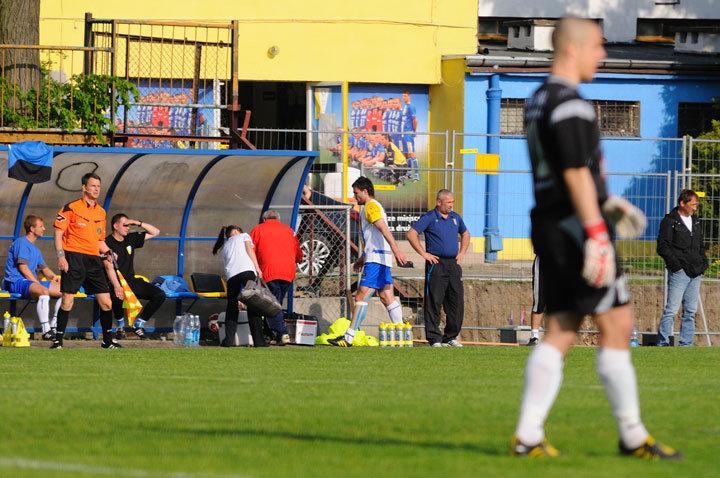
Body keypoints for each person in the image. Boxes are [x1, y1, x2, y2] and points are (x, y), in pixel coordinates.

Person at [511, 17, 681, 459]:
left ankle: (529, 433)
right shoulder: (571, 103)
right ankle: (632, 434)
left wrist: (608, 203)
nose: (603, 55)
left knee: (563, 328)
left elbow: (563, 173)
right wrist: (596, 231)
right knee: (617, 324)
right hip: (575, 228)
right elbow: (573, 170)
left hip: (551, 222)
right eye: (598, 47)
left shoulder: (537, 100)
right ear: (573, 49)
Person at [328, 176, 407, 346]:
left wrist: (396, 249)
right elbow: (374, 237)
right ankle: (403, 336)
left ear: (365, 191)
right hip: (379, 258)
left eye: (356, 193)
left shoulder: (371, 207)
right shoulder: (372, 207)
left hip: (377, 260)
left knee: (361, 295)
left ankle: (348, 337)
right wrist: (362, 258)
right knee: (387, 297)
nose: (355, 197)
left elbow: (383, 229)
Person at [52, 172, 122, 349]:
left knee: (106, 302)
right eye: (93, 186)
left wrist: (109, 252)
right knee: (68, 301)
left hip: (93, 260)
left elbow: (99, 240)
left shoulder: (101, 211)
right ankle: (57, 341)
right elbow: (58, 233)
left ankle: (107, 341)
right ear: (84, 188)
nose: (96, 189)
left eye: (98, 186)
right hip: (73, 257)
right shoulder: (70, 208)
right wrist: (61, 256)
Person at [406, 189, 469, 347]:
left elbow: (466, 234)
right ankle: (435, 338)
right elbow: (411, 234)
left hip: (453, 265)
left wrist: (461, 253)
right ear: (439, 202)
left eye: (452, 202)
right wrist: (424, 253)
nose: (451, 205)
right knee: (434, 301)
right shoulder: (429, 217)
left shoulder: (455, 218)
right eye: (448, 202)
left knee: (456, 302)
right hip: (436, 265)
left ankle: (450, 337)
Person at [656, 189, 708, 347]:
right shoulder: (670, 221)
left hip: (696, 272)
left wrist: (703, 263)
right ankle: (663, 343)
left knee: (690, 312)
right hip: (680, 273)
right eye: (693, 204)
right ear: (682, 203)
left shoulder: (696, 220)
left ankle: (686, 345)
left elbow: (700, 244)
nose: (695, 207)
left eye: (696, 204)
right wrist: (677, 267)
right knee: (671, 310)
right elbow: (662, 247)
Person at [103, 214, 166, 340]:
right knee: (117, 295)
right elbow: (107, 267)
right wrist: (117, 286)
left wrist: (137, 223)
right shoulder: (106, 243)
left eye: (128, 225)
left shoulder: (130, 239)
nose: (128, 228)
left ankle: (139, 325)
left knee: (159, 295)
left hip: (131, 281)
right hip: (113, 282)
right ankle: (120, 326)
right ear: (115, 226)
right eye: (125, 225)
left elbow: (155, 232)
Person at [2, 215, 62, 340]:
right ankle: (46, 331)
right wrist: (37, 284)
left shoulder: (35, 249)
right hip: (16, 281)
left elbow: (44, 269)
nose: (44, 229)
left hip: (29, 282)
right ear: (32, 228)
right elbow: (23, 268)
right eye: (41, 226)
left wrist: (54, 277)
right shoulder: (21, 243)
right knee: (43, 291)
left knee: (66, 290)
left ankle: (54, 325)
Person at [250, 210, 303, 345]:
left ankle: (282, 332)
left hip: (268, 272)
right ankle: (273, 335)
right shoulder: (288, 230)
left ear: (264, 218)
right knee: (276, 301)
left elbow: (250, 250)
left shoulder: (258, 229)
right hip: (287, 272)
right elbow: (299, 253)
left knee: (271, 304)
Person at [212, 225, 267, 347]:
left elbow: (227, 266)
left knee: (232, 308)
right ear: (237, 231)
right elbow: (249, 250)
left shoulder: (225, 247)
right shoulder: (243, 236)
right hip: (247, 272)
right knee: (253, 306)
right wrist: (257, 267)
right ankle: (259, 341)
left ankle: (228, 341)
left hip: (232, 277)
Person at [400, 90, 419, 182]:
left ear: (409, 96)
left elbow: (415, 120)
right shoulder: (405, 107)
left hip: (408, 134)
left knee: (412, 154)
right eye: (403, 96)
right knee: (405, 154)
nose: (404, 98)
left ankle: (416, 175)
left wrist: (414, 131)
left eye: (405, 96)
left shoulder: (411, 106)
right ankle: (408, 173)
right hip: (403, 135)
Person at [528, 255, 545, 346]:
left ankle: (560, 335)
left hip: (561, 260)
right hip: (543, 262)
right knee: (539, 301)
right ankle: (534, 336)